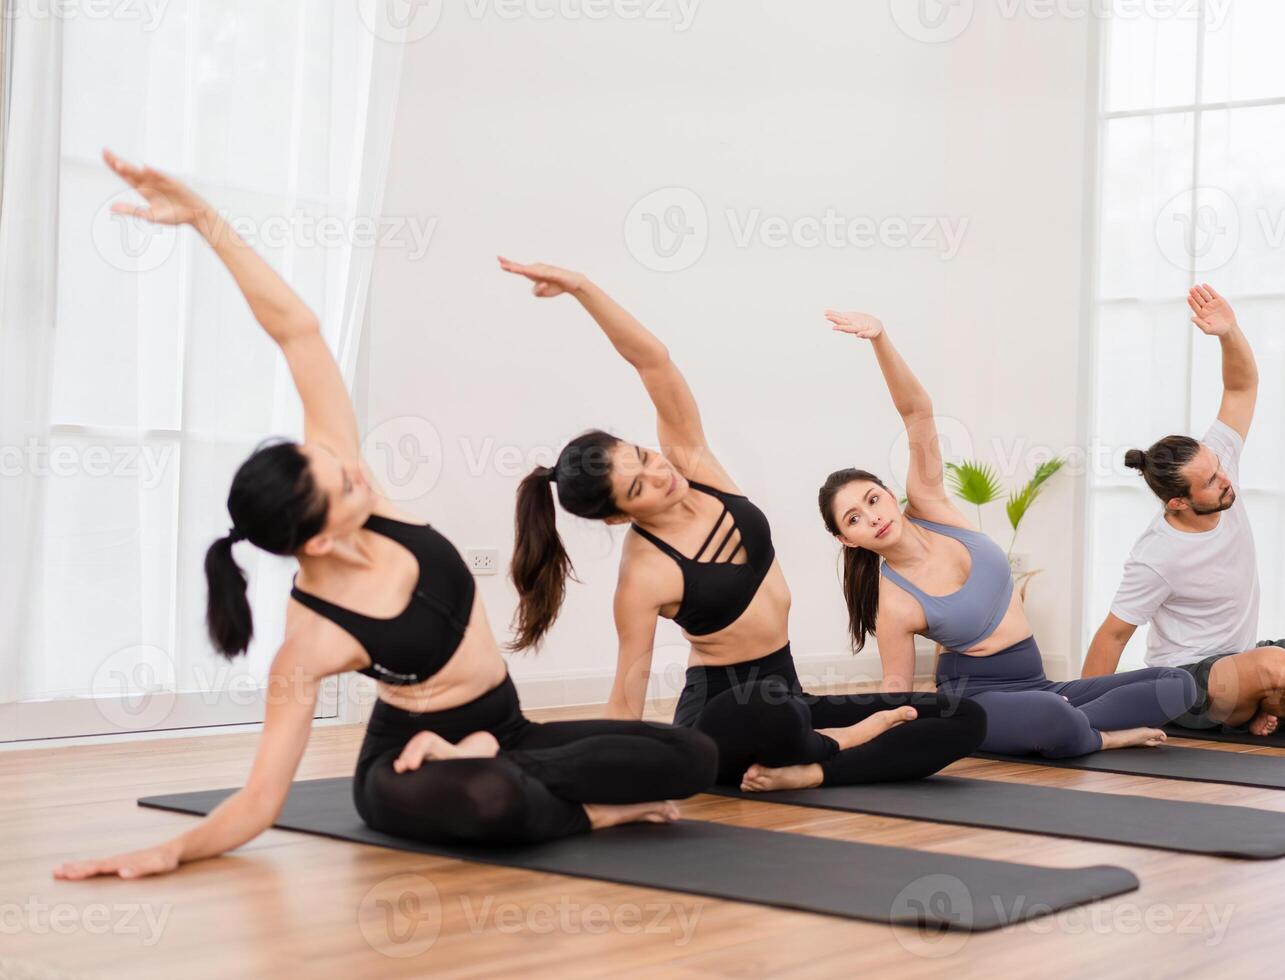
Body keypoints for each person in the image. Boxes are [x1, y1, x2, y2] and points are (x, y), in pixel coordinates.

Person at [53, 154, 717, 883]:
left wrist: (209, 222)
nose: (356, 468)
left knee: (692, 756)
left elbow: (296, 332)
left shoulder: (356, 495)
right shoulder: (310, 641)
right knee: (490, 802)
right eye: (342, 482)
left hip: (506, 730)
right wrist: (171, 850)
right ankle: (589, 812)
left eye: (336, 460)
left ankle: (502, 769)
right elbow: (259, 800)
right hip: (406, 763)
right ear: (320, 539)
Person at [499, 258, 986, 792]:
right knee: (765, 712)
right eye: (638, 487)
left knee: (959, 716)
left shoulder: (696, 468)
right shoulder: (644, 572)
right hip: (724, 715)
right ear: (619, 515)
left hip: (789, 697)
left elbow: (653, 362)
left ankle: (813, 768)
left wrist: (583, 286)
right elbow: (625, 701)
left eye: (643, 456)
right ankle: (838, 745)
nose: (659, 473)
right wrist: (614, 790)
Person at [817, 310, 1196, 759]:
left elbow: (917, 411)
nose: (872, 517)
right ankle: (1101, 736)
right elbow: (896, 691)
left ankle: (1069, 728)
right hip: (976, 697)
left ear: (887, 492)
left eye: (872, 499)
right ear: (848, 540)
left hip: (1042, 685)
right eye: (854, 519)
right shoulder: (892, 601)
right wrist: (862, 741)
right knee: (1054, 719)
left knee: (1179, 685)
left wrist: (880, 338)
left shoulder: (931, 506)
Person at [1081, 284, 1285, 735]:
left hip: (1245, 658)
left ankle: (1274, 704)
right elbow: (1112, 635)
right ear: (1179, 503)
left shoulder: (1218, 463)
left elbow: (1241, 385)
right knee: (1274, 664)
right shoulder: (1156, 555)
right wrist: (1083, 718)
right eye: (1210, 481)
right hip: (1188, 684)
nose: (1226, 478)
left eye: (1218, 469)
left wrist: (1229, 333)